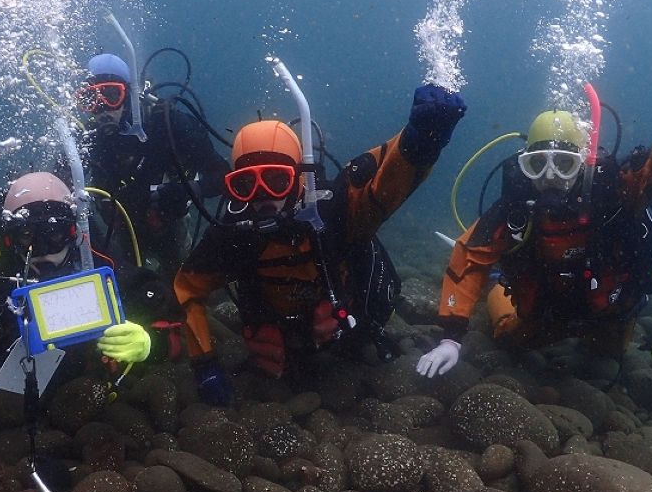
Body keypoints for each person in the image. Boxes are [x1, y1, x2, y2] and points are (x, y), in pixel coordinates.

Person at [174, 85, 467, 404]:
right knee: (267, 348)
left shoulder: (332, 210)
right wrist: (205, 365)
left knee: (367, 311)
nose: (263, 197)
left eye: (276, 180)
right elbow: (187, 289)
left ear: (300, 177)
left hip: (343, 313)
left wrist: (420, 141)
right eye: (245, 184)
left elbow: (382, 185)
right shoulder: (232, 234)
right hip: (277, 323)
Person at [416, 101, 652, 377]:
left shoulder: (612, 192)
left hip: (608, 311)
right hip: (545, 312)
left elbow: (651, 176)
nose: (550, 177)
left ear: (584, 163)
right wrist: (451, 339)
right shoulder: (515, 208)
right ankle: (497, 282)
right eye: (537, 164)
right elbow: (470, 255)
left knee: (609, 354)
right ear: (524, 165)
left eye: (564, 165)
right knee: (508, 339)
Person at [0, 171, 171, 379]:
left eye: (54, 233)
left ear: (73, 230)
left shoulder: (98, 262)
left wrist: (149, 344)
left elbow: (172, 332)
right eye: (27, 235)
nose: (41, 249)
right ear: (9, 236)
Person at [78, 53, 227, 272]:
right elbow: (60, 188)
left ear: (129, 94)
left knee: (178, 280)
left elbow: (224, 176)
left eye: (111, 95)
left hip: (168, 226)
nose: (103, 108)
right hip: (120, 231)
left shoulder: (167, 123)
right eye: (90, 99)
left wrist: (191, 190)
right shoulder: (87, 139)